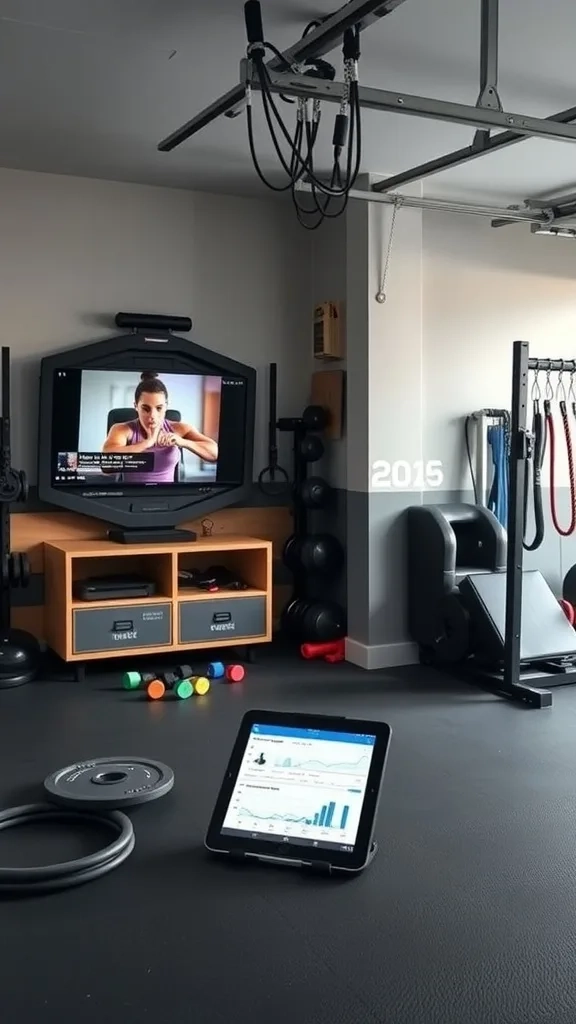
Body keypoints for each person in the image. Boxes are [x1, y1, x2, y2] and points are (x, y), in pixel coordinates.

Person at [102, 372, 218, 484]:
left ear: (166, 406)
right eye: (146, 409)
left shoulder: (178, 428)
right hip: (132, 496)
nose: (152, 416)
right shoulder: (122, 429)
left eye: (159, 408)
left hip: (167, 497)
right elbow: (106, 465)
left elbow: (214, 454)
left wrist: (182, 442)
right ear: (136, 406)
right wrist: (147, 443)